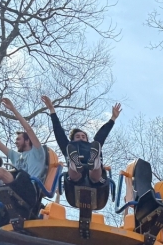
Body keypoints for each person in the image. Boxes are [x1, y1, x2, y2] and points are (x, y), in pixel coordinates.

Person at [41, 95, 120, 235]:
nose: (81, 138)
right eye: (78, 137)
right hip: (75, 179)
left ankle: (94, 161)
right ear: (72, 139)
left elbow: (102, 135)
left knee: (96, 168)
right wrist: (52, 110)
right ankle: (75, 162)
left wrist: (112, 119)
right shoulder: (68, 145)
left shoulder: (92, 146)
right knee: (73, 171)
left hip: (95, 178)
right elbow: (58, 132)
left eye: (83, 137)